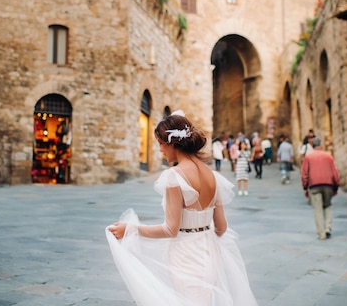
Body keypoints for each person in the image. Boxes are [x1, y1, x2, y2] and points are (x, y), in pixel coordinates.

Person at [106, 110, 258, 306]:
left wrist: (131, 229)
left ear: (172, 143)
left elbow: (171, 228)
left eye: (161, 143)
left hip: (185, 257)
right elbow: (221, 227)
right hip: (209, 254)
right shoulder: (212, 176)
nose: (160, 149)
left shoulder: (174, 176)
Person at [300, 137, 340, 240]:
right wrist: (336, 187)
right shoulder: (329, 156)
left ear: (312, 146)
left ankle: (321, 233)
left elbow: (304, 174)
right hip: (328, 185)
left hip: (314, 186)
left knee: (317, 209)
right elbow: (335, 173)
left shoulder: (308, 157)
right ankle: (328, 228)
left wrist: (305, 187)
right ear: (321, 145)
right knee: (327, 206)